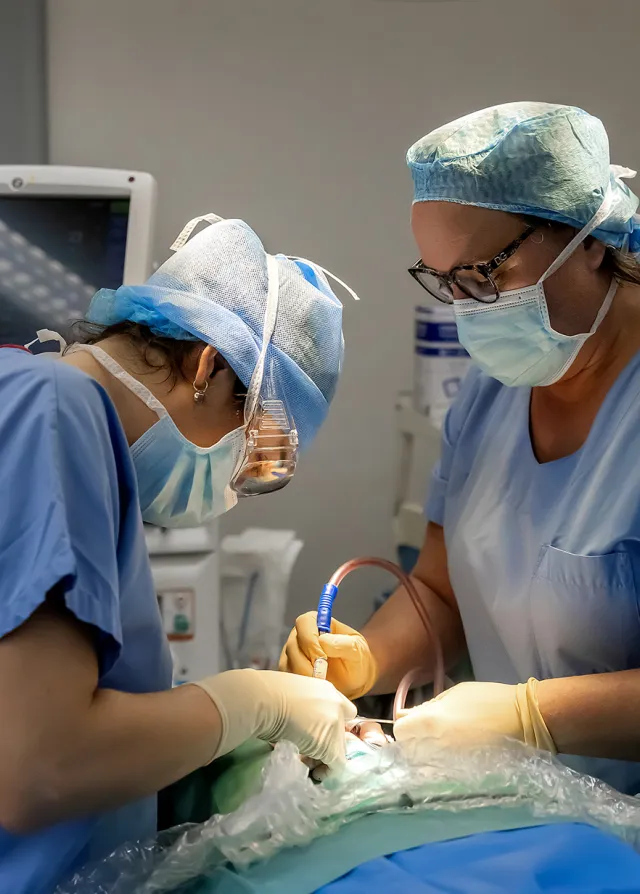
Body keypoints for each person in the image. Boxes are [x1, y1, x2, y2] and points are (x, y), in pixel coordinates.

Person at [280, 102, 640, 796]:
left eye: (487, 272)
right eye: (447, 281)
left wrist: (534, 716)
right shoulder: (492, 392)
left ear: (589, 241)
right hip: (518, 809)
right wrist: (365, 659)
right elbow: (442, 592)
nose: (469, 305)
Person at [0, 212, 357, 892]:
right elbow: (36, 770)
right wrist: (251, 703)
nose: (240, 482)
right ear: (207, 366)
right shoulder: (53, 409)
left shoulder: (53, 420)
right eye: (259, 450)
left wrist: (212, 747)